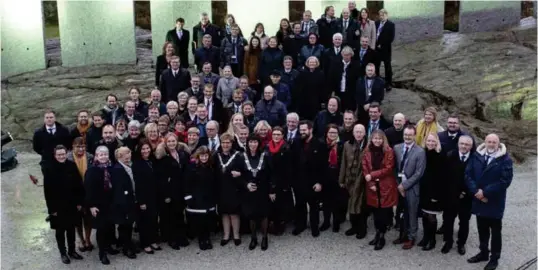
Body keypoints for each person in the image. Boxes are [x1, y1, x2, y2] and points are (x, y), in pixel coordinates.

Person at [465, 134, 513, 270]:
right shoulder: (477, 156)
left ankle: (494, 258)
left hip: (494, 201)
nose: (491, 144)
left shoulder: (505, 160)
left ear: (498, 144)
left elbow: (505, 181)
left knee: (496, 232)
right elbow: (468, 175)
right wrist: (476, 192)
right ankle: (484, 253)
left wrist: (485, 192)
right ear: (485, 142)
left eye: (494, 142)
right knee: (482, 229)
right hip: (479, 199)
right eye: (489, 141)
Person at [44, 145, 84, 264]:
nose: (61, 156)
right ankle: (63, 253)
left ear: (66, 154)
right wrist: (52, 209)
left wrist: (79, 202)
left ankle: (72, 251)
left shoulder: (71, 165)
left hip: (72, 204)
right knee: (60, 231)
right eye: (59, 155)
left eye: (63, 154)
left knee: (71, 229)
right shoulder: (49, 168)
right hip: (58, 206)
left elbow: (78, 185)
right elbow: (47, 191)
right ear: (55, 155)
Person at [362, 130, 398, 250]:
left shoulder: (389, 151)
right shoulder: (367, 151)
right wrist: (370, 182)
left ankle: (382, 237)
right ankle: (377, 234)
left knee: (383, 214)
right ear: (371, 139)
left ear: (383, 140)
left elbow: (388, 169)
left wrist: (372, 175)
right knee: (376, 213)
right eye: (375, 138)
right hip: (372, 186)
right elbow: (365, 168)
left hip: (385, 186)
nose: (377, 140)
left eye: (379, 138)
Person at [155, 133, 190, 250]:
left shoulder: (182, 154)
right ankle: (172, 239)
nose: (171, 143)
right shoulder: (163, 158)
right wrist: (166, 195)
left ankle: (181, 236)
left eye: (173, 141)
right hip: (170, 191)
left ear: (177, 142)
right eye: (169, 141)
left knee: (180, 214)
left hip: (181, 189)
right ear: (165, 143)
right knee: (170, 216)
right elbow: (161, 178)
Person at [393, 126, 426, 249]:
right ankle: (402, 234)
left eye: (410, 135)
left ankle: (411, 237)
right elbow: (394, 168)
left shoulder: (420, 151)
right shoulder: (397, 148)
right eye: (405, 134)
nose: (407, 137)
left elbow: (419, 173)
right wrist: (398, 184)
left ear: (414, 136)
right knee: (400, 212)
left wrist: (404, 185)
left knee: (412, 213)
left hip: (412, 187)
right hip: (398, 186)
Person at [84, 146, 118, 265]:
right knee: (101, 228)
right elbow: (88, 190)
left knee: (110, 227)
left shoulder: (111, 167)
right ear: (97, 156)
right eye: (101, 154)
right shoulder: (92, 170)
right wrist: (91, 206)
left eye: (105, 154)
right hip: (98, 204)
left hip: (110, 202)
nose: (103, 156)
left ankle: (108, 247)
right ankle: (102, 253)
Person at [291, 120, 325, 237]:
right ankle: (301, 225)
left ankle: (314, 226)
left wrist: (320, 182)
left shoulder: (319, 144)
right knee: (300, 204)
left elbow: (323, 166)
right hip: (299, 181)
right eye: (301, 131)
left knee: (314, 206)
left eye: (304, 130)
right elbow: (293, 162)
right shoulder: (296, 143)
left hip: (313, 181)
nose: (302, 132)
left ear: (310, 129)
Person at [442, 135, 474, 255]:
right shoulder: (450, 156)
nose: (464, 146)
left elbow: (476, 179)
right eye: (462, 144)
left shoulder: (475, 159)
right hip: (450, 196)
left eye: (467, 144)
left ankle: (461, 243)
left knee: (464, 222)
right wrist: (453, 192)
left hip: (466, 198)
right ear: (458, 144)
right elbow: (445, 177)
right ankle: (448, 242)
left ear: (471, 146)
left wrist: (465, 192)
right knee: (448, 220)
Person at [242, 135, 273, 250]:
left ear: (259, 144)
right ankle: (253, 238)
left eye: (255, 142)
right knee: (252, 215)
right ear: (248, 143)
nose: (253, 144)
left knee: (264, 214)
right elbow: (239, 175)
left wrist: (271, 190)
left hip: (263, 190)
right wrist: (246, 185)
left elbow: (271, 174)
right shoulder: (242, 156)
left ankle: (264, 238)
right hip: (249, 191)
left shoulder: (265, 156)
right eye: (251, 142)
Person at [214, 133, 245, 246]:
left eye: (228, 142)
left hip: (234, 187)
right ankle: (226, 235)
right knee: (224, 212)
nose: (225, 145)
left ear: (232, 143)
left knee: (234, 212)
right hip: (221, 187)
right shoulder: (216, 155)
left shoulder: (238, 155)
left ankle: (236, 235)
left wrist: (240, 173)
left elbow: (245, 170)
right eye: (223, 142)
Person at [184, 146, 218, 250]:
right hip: (196, 198)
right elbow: (186, 184)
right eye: (202, 156)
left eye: (206, 155)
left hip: (208, 198)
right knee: (199, 221)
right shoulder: (192, 167)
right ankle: (201, 240)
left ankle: (207, 238)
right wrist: (188, 197)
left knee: (207, 219)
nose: (204, 158)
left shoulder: (210, 167)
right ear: (198, 156)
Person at [133, 140, 161, 254]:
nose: (146, 151)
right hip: (144, 197)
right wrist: (141, 201)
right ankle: (145, 243)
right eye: (143, 149)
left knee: (154, 219)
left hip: (154, 195)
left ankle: (153, 240)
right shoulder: (137, 164)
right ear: (139, 150)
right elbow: (138, 184)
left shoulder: (152, 161)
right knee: (144, 221)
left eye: (147, 148)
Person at [339, 124, 367, 238]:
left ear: (364, 133)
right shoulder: (347, 144)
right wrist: (341, 179)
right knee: (351, 203)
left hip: (362, 181)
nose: (359, 134)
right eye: (357, 131)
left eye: (361, 132)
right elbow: (343, 163)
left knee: (361, 205)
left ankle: (362, 228)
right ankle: (353, 226)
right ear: (353, 133)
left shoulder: (368, 146)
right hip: (350, 180)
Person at [418, 133, 445, 251]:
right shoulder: (423, 152)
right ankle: (425, 237)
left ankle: (432, 240)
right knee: (424, 214)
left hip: (435, 191)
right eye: (428, 141)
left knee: (431, 216)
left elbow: (442, 177)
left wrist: (437, 195)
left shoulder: (440, 155)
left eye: (433, 141)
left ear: (437, 142)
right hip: (424, 189)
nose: (430, 143)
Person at [110, 147, 138, 259]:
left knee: (129, 224)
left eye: (128, 152)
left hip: (131, 200)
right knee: (124, 226)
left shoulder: (130, 165)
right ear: (118, 157)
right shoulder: (117, 169)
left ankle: (128, 244)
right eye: (124, 154)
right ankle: (126, 249)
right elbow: (118, 190)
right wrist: (123, 205)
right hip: (123, 203)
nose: (127, 155)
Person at [67, 137, 94, 252]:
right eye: (78, 146)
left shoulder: (90, 157)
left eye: (83, 146)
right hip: (74, 193)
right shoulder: (68, 158)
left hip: (87, 191)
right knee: (77, 220)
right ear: (73, 147)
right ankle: (81, 240)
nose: (80, 148)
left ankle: (88, 239)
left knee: (88, 218)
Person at [267, 127, 293, 235]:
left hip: (282, 181)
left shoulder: (286, 148)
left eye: (278, 134)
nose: (276, 137)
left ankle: (280, 225)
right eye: (274, 135)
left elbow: (288, 168)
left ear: (282, 136)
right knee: (272, 204)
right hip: (270, 180)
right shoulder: (267, 147)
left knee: (281, 204)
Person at [319, 124, 345, 233]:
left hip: (337, 175)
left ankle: (336, 222)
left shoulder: (342, 145)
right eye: (330, 132)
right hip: (325, 175)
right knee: (326, 201)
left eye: (334, 133)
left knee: (337, 201)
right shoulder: (322, 143)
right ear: (327, 133)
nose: (332, 135)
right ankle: (326, 222)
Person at [327, 46, 360, 111]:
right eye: (345, 55)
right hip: (338, 92)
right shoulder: (335, 64)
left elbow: (357, 80)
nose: (346, 57)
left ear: (351, 55)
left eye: (348, 55)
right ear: (342, 55)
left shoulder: (356, 66)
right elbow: (331, 79)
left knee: (350, 111)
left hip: (350, 93)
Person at [375, 9, 395, 91]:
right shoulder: (376, 23)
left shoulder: (391, 25)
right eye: (380, 15)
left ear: (386, 15)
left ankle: (388, 83)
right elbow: (374, 34)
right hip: (376, 49)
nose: (381, 17)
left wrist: (382, 45)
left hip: (386, 49)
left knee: (387, 67)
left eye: (383, 15)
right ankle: (377, 82)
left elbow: (391, 38)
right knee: (376, 66)